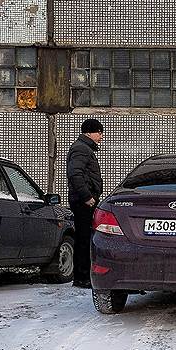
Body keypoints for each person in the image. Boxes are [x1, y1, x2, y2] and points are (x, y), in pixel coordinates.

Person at [66, 118, 104, 289]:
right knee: (83, 238)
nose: (101, 136)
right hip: (83, 202)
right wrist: (87, 196)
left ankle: (82, 276)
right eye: (99, 132)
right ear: (89, 132)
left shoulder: (84, 148)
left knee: (85, 237)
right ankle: (81, 277)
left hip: (83, 201)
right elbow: (75, 174)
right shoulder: (81, 149)